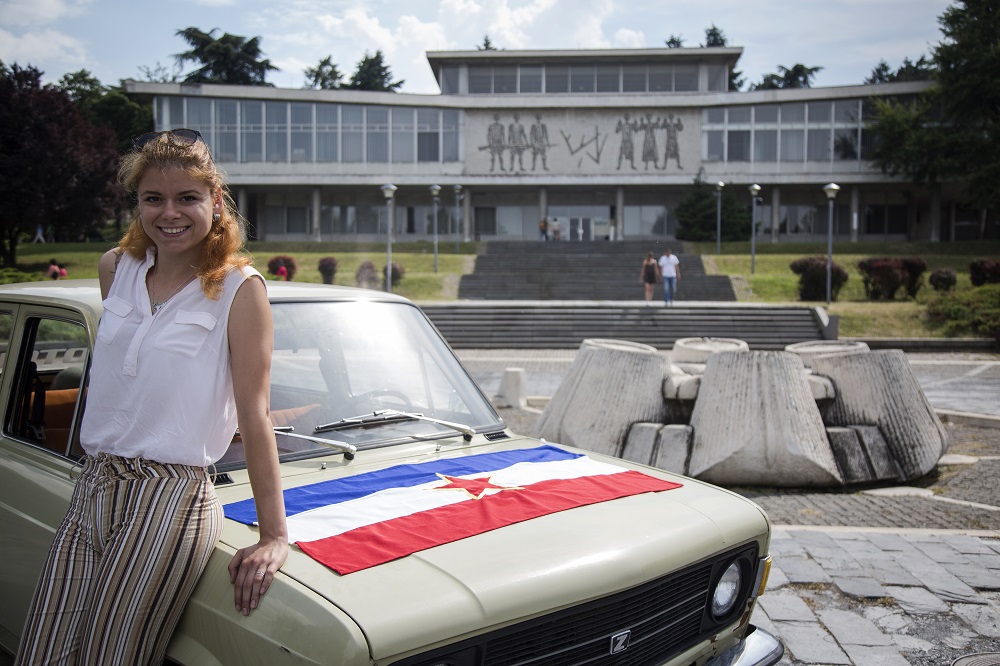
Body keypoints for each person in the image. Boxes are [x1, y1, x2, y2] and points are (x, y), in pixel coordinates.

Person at [15, 128, 288, 666]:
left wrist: (273, 535)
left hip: (171, 496)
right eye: (153, 198)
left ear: (216, 203)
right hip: (95, 482)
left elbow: (254, 417)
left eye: (188, 197)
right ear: (137, 203)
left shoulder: (240, 289)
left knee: (108, 657)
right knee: (43, 650)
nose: (171, 213)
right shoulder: (116, 269)